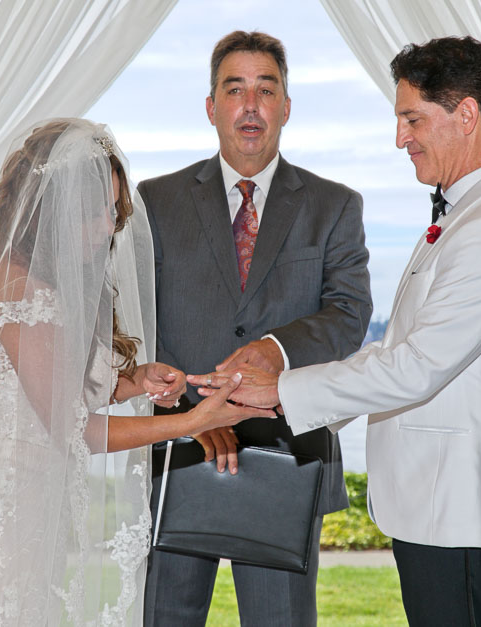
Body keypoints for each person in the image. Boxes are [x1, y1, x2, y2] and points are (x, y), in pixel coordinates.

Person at [0, 118, 273, 626]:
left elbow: (44, 391)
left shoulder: (19, 276)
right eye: (93, 210)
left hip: (7, 486)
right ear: (51, 204)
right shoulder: (24, 290)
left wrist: (135, 381)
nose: (106, 226)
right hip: (2, 498)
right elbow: (71, 428)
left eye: (110, 210)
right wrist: (193, 422)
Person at [192, 36, 481, 626]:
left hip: (461, 508)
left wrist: (282, 390)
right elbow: (399, 351)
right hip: (441, 509)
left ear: (466, 115)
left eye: (412, 119)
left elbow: (413, 368)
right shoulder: (467, 215)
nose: (400, 138)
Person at [138, 31, 372, 626]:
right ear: (211, 106)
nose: (250, 104)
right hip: (177, 450)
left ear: (286, 107)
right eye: (234, 88)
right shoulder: (153, 202)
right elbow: (134, 316)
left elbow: (348, 314)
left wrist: (274, 348)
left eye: (266, 89)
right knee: (163, 616)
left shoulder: (335, 204)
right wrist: (193, 413)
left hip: (286, 451)